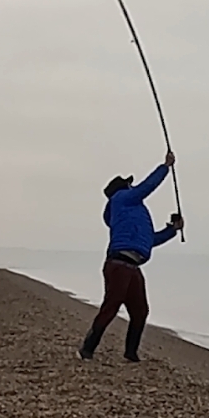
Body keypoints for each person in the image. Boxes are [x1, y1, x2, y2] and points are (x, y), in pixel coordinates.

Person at [79, 150, 184, 363]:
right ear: (123, 188)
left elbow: (149, 240)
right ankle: (87, 349)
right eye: (129, 184)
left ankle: (130, 353)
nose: (132, 186)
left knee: (140, 310)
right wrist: (165, 166)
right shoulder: (123, 199)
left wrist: (172, 230)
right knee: (112, 306)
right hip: (119, 264)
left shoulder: (131, 212)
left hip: (132, 266)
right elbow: (147, 187)